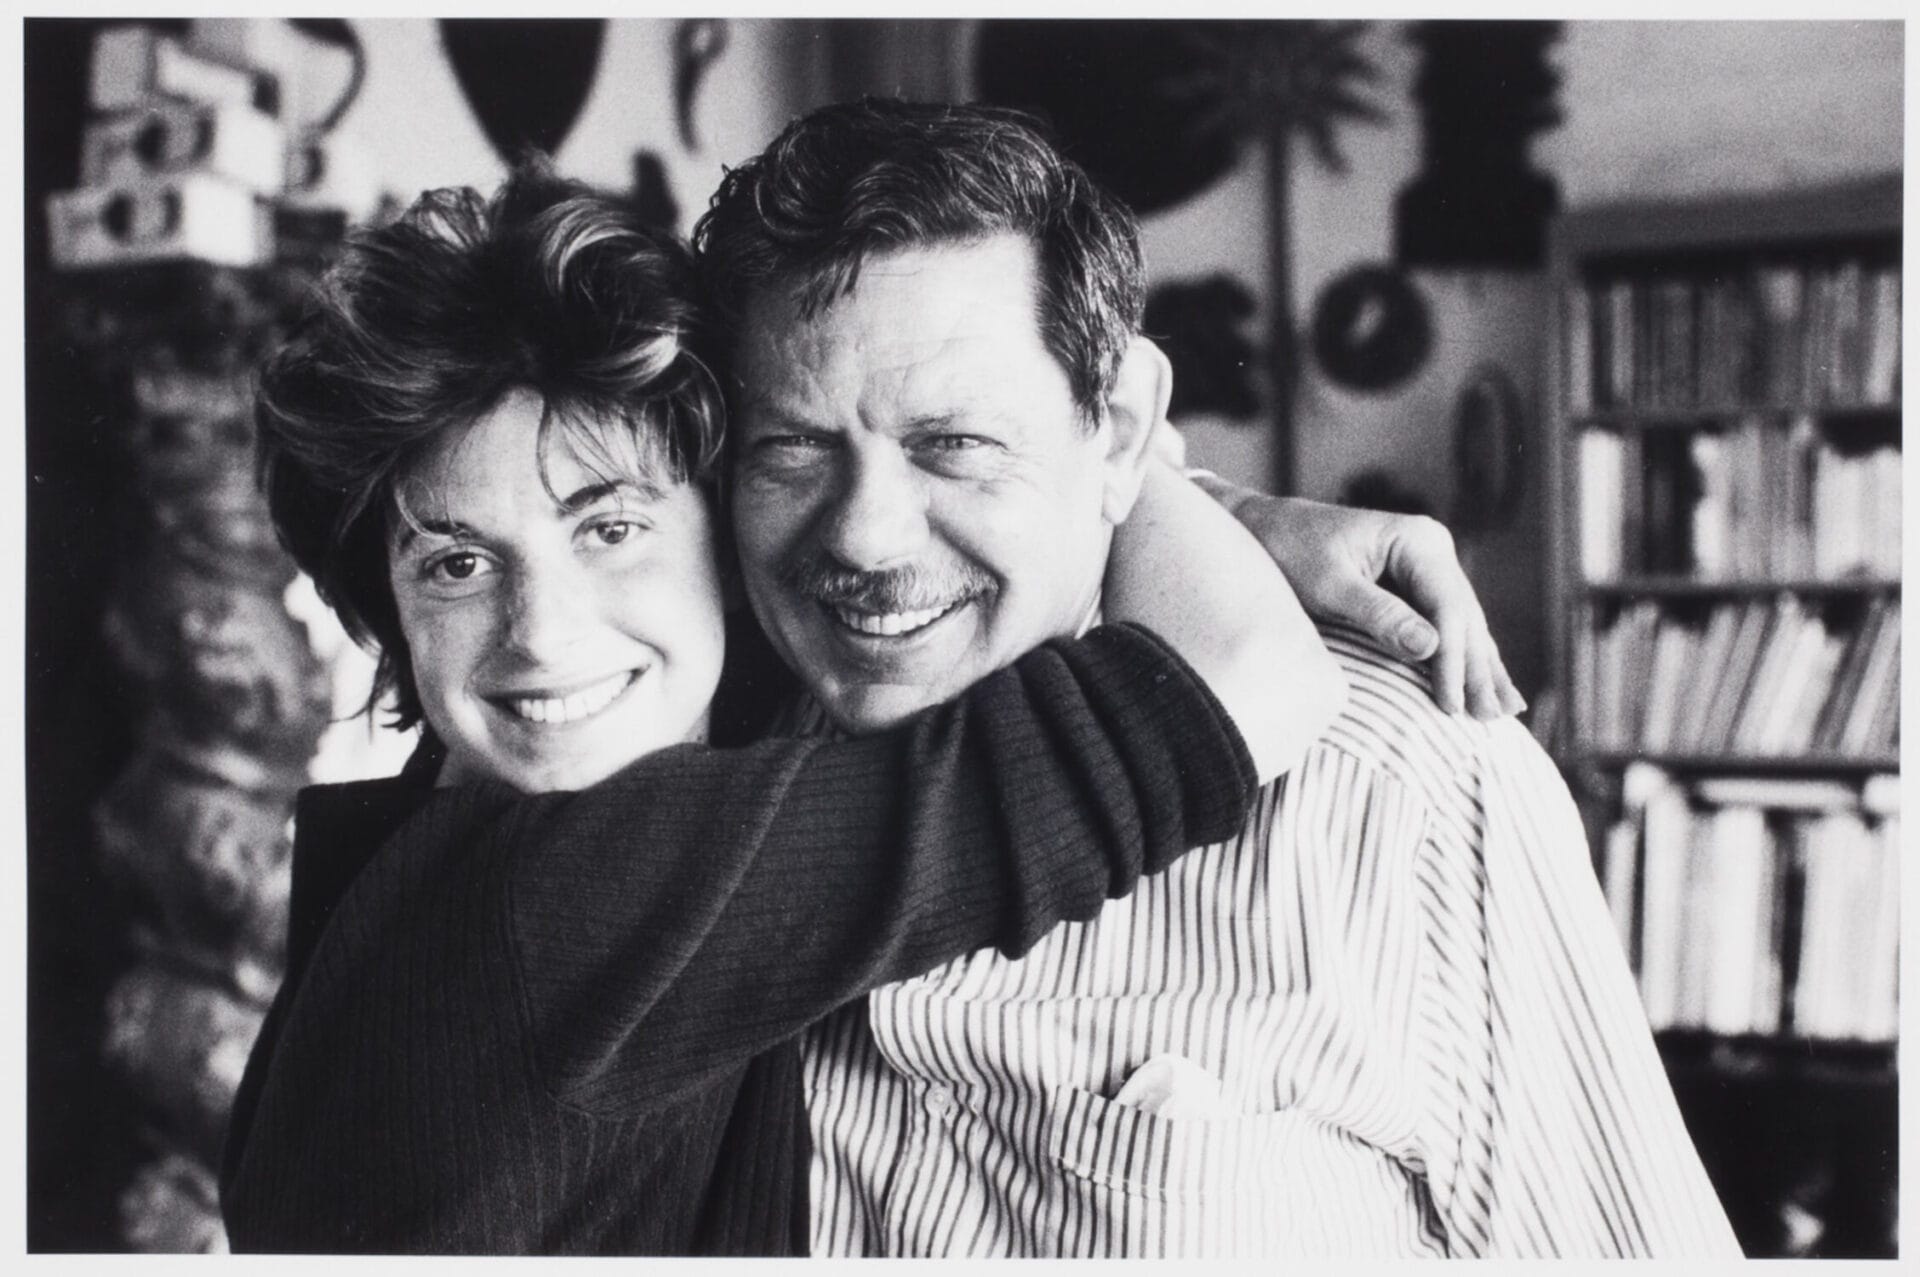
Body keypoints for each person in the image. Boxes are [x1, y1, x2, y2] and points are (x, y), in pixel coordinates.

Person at [215, 163, 1407, 1253]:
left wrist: (1198, 492)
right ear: (388, 604)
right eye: (456, 564)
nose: (543, 634)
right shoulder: (573, 887)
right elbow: (1240, 683)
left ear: (727, 527)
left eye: (610, 527)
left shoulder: (435, 839)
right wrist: (1128, 460)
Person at [692, 97, 1742, 1258]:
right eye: (792, 449)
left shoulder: (1406, 788)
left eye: (955, 445)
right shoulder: (685, 765)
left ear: (1125, 425)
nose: (868, 539)